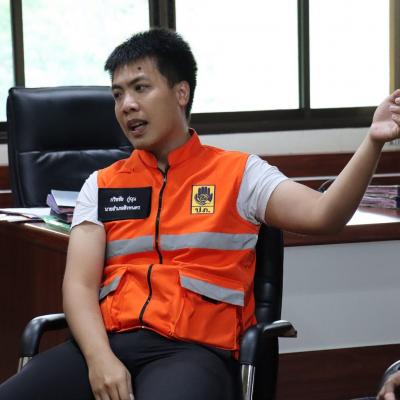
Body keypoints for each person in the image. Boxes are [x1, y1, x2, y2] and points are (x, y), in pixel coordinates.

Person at [0, 28, 399, 400]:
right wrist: (100, 359)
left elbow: (325, 215)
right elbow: (79, 286)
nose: (127, 105)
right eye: (117, 94)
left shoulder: (239, 174)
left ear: (181, 92)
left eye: (141, 88)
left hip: (192, 352)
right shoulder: (101, 184)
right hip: (108, 344)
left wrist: (372, 141)